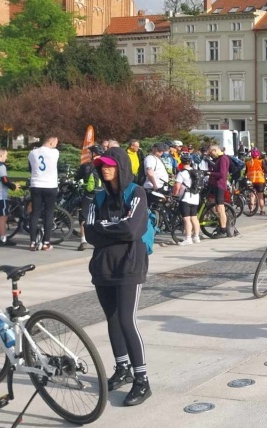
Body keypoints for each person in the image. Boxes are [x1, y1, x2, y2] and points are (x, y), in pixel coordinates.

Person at [85, 148, 151, 406]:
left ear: (121, 166)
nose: (105, 169)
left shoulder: (136, 193)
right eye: (101, 166)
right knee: (112, 319)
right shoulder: (98, 198)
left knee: (126, 320)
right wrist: (114, 227)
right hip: (103, 265)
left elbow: (133, 228)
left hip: (129, 264)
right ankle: (122, 368)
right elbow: (90, 233)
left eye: (110, 165)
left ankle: (142, 379)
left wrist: (105, 227)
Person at [28, 135, 60, 252]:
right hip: (50, 186)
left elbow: (30, 168)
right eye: (55, 142)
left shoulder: (32, 153)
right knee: (49, 213)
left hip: (36, 184)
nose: (56, 145)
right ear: (51, 143)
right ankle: (46, 242)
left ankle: (32, 242)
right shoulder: (55, 153)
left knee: (35, 213)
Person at [76, 145, 105, 251]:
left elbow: (77, 177)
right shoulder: (105, 164)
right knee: (101, 215)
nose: (88, 154)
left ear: (93, 154)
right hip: (102, 194)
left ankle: (83, 240)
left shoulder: (86, 166)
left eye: (89, 153)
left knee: (84, 216)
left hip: (90, 194)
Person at [173, 159, 202, 246]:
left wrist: (174, 193)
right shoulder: (196, 172)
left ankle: (188, 238)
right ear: (190, 162)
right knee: (194, 218)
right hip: (195, 197)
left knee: (186, 219)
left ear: (181, 162)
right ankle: (196, 237)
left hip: (185, 198)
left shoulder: (182, 173)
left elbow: (177, 186)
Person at [206, 146, 230, 238]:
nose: (211, 155)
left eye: (211, 153)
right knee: (218, 208)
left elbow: (222, 174)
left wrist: (210, 173)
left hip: (220, 185)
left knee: (220, 208)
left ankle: (223, 230)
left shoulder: (223, 158)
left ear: (215, 150)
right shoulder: (219, 158)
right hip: (216, 185)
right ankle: (222, 226)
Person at [246, 149, 267, 215]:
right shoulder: (261, 162)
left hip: (251, 181)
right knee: (260, 197)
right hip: (260, 181)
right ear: (258, 155)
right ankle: (262, 210)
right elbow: (266, 170)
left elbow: (246, 172)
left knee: (252, 196)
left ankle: (251, 210)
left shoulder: (248, 163)